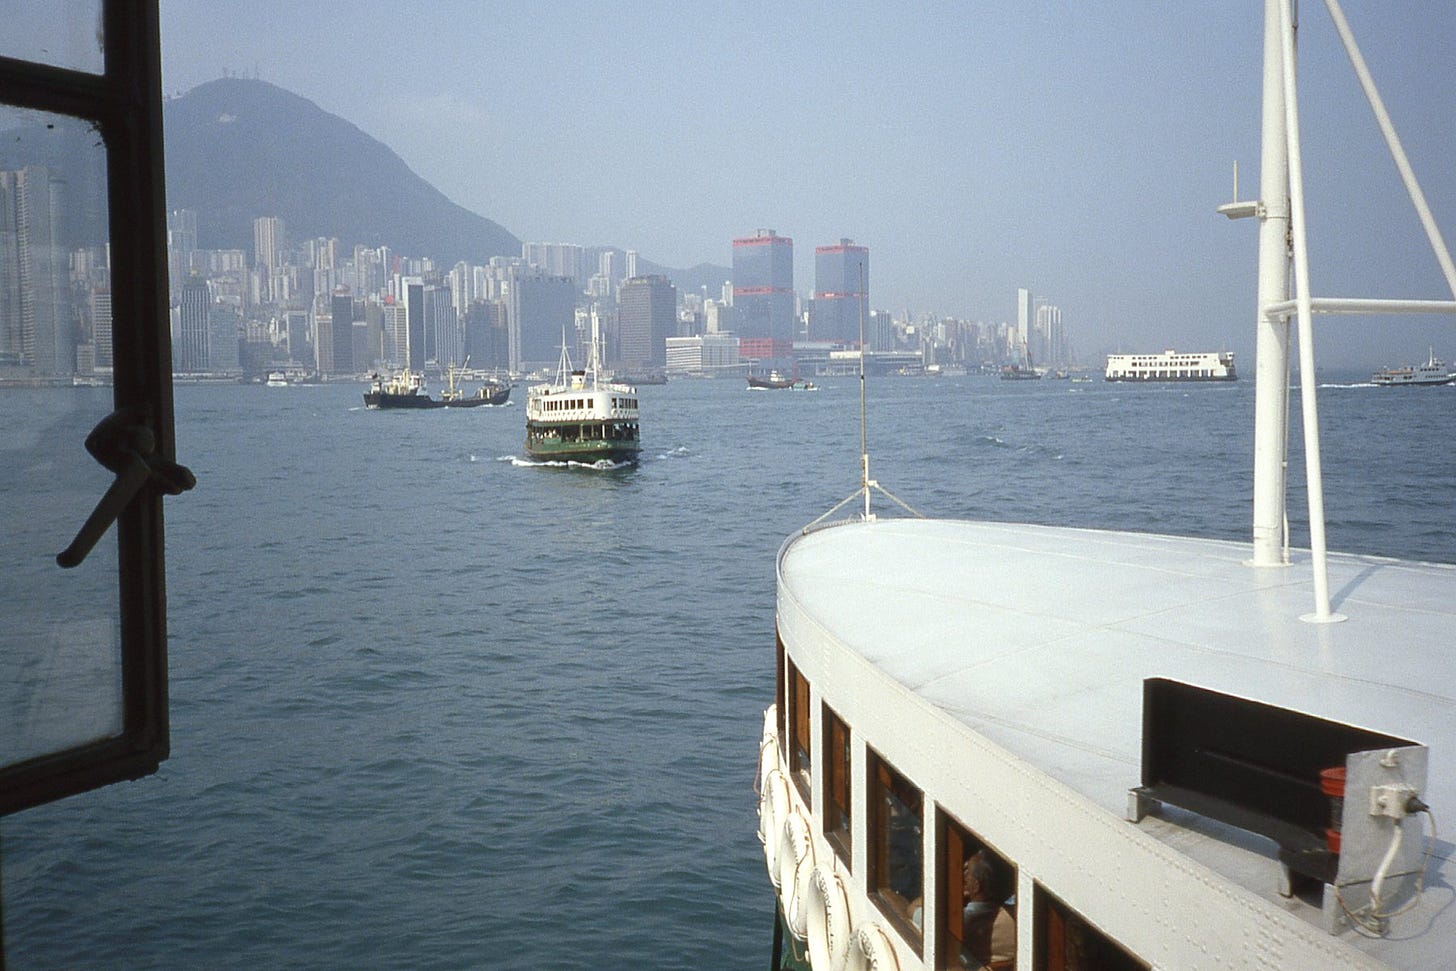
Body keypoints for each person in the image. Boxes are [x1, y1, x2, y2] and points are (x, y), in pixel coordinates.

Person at [962, 851, 1015, 969]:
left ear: (976, 886)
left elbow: (913, 911)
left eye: (967, 872)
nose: (964, 875)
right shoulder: (1015, 919)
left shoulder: (963, 922)